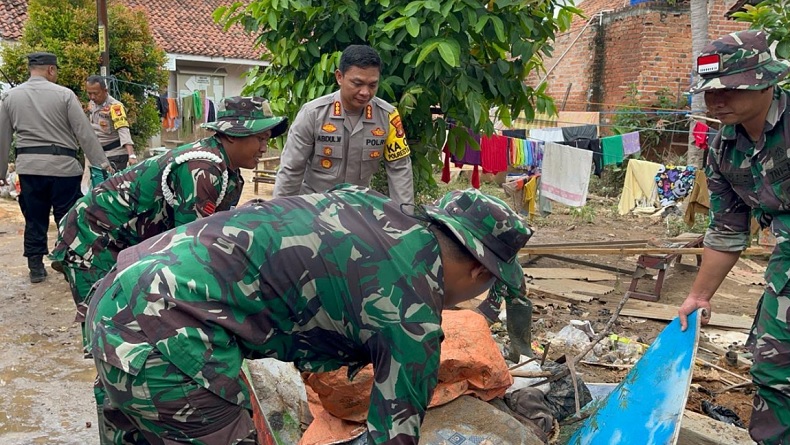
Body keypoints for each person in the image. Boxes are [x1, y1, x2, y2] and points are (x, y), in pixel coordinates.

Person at [85, 185, 532, 444]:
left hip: (118, 292)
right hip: (164, 332)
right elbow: (393, 436)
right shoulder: (412, 315)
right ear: (480, 271)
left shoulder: (368, 205)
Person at [50, 96, 287, 356]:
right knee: (111, 327)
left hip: (126, 242)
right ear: (232, 135)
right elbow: (191, 252)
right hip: (93, 239)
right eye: (260, 138)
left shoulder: (227, 171)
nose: (264, 148)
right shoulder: (202, 168)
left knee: (137, 324)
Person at [677, 30, 790, 445]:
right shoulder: (724, 149)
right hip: (785, 264)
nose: (716, 99)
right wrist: (698, 296)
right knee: (771, 365)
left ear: (765, 81)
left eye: (728, 88)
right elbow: (727, 229)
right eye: (709, 91)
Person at [0, 52, 112, 283]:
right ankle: (68, 262)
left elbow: (2, 137)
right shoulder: (65, 95)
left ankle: (35, 267)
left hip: (30, 170)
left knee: (35, 218)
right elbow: (84, 133)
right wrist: (102, 164)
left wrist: (1, 172)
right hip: (64, 169)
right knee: (67, 218)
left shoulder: (10, 97)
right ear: (51, 69)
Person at [274, 44, 414, 205]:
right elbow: (291, 169)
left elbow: (400, 170)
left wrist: (404, 216)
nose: (365, 92)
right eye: (357, 83)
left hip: (357, 208)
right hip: (313, 208)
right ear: (339, 77)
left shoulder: (388, 116)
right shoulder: (313, 114)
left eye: (372, 85)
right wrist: (280, 214)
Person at [85, 75, 137, 170]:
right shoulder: (92, 103)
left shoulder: (115, 107)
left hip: (114, 155)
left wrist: (131, 155)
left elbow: (123, 129)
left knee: (111, 180)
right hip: (97, 155)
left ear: (105, 91)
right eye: (89, 93)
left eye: (96, 93)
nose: (92, 97)